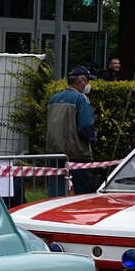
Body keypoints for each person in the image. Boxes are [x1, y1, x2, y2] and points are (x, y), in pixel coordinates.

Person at [46, 65, 97, 195]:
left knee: (56, 193)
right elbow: (86, 126)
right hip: (77, 154)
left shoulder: (54, 99)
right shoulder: (81, 99)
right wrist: (93, 138)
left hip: (55, 154)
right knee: (80, 195)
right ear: (80, 82)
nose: (88, 85)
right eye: (88, 81)